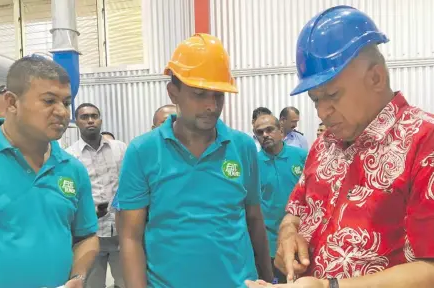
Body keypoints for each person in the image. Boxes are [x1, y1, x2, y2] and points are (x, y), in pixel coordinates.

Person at [246, 5, 434, 288]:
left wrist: (327, 287)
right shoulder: (324, 145)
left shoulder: (423, 142)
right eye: (315, 100)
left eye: (332, 95)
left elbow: (429, 271)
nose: (322, 112)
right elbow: (296, 211)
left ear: (376, 78)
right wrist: (288, 233)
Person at [116, 33, 273, 288]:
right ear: (173, 93)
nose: (212, 106)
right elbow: (130, 237)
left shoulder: (242, 146)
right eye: (199, 94)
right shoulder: (142, 151)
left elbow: (254, 218)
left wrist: (267, 279)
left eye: (218, 95)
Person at [0, 55, 99, 288]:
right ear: (12, 102)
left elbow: (86, 237)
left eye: (66, 103)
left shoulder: (73, 169)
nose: (62, 112)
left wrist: (77, 278)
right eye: (49, 101)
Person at [66, 103, 127, 288]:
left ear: (100, 119)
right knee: (93, 285)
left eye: (94, 115)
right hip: (89, 236)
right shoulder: (70, 156)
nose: (90, 120)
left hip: (122, 231)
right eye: (84, 117)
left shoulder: (120, 149)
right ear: (76, 122)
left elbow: (131, 185)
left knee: (128, 282)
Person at [253, 114, 307, 284]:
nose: (265, 135)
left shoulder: (302, 156)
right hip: (270, 244)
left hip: (301, 237)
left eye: (270, 129)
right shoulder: (252, 163)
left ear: (281, 131)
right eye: (259, 132)